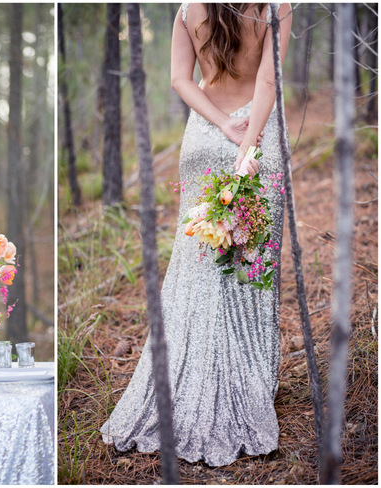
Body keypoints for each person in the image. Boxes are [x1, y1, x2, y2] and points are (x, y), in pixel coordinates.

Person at [100, 3, 293, 467]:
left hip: (206, 134)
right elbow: (268, 82)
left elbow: (179, 79)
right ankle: (247, 378)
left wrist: (222, 124)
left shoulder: (188, 9)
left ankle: (195, 372)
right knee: (250, 260)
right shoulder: (274, 6)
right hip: (257, 132)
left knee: (198, 263)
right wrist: (247, 144)